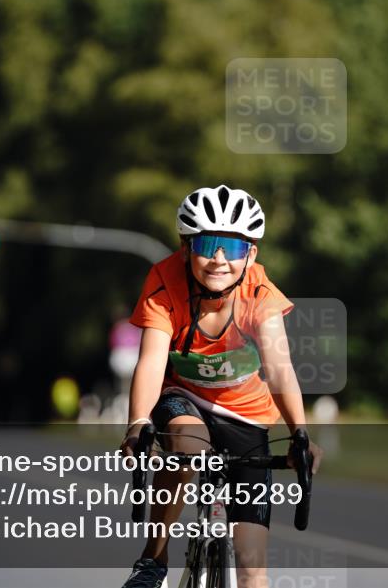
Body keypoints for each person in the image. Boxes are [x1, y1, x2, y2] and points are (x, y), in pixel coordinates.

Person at [119, 185, 323, 588]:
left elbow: (279, 368)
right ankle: (154, 559)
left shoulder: (260, 295)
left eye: (231, 248)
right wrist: (138, 422)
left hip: (245, 414)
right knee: (187, 444)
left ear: (250, 253)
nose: (218, 260)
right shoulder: (164, 282)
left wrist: (300, 432)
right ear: (184, 246)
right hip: (182, 398)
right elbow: (152, 360)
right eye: (208, 244)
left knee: (251, 569)